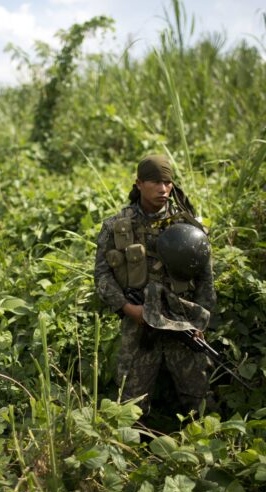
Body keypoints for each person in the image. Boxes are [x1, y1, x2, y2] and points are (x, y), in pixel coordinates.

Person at [94, 154, 216, 417]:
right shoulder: (116, 227)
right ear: (139, 184)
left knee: (199, 399)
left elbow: (205, 278)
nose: (163, 189)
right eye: (155, 182)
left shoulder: (187, 224)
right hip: (138, 326)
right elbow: (102, 277)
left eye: (167, 182)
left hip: (182, 322)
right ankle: (132, 452)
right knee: (129, 406)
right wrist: (129, 309)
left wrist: (200, 323)